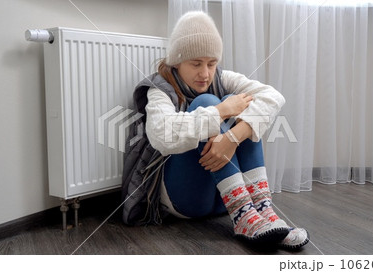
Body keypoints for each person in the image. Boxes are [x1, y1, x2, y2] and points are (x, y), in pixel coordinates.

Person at [128, 11, 309, 249]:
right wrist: (221, 111)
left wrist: (233, 138)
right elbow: (162, 136)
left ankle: (263, 210)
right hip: (186, 201)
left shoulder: (221, 77)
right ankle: (245, 216)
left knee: (245, 106)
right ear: (176, 62)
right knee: (208, 103)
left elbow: (273, 97)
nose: (205, 73)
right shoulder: (160, 89)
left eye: (211, 64)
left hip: (225, 200)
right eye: (196, 64)